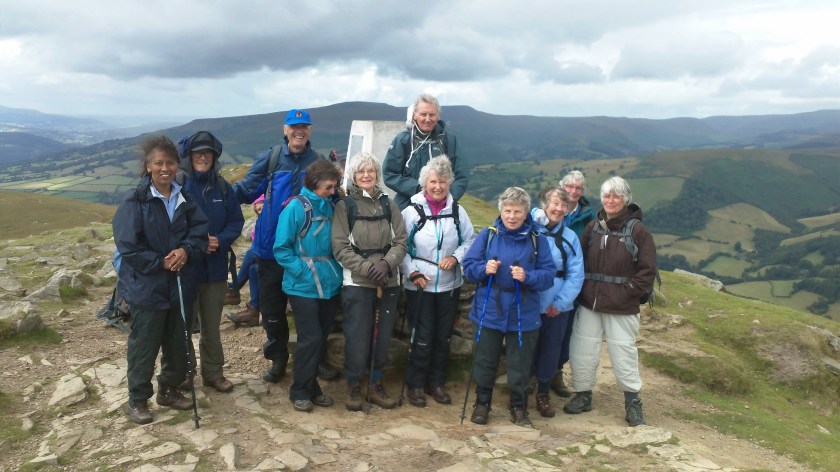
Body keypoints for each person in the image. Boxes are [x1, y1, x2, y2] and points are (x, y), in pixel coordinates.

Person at [112, 135, 209, 424]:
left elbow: (200, 235)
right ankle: (138, 399)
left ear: (177, 166)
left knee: (178, 342)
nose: (165, 168)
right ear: (148, 166)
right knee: (145, 345)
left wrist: (185, 251)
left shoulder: (185, 198)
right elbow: (128, 246)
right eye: (158, 163)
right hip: (148, 288)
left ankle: (169, 388)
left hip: (180, 284)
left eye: (169, 163)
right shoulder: (135, 201)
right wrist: (160, 262)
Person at [231, 109, 330, 383]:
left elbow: (329, 200)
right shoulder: (271, 158)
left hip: (306, 252)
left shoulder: (317, 162)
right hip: (270, 249)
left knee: (311, 312)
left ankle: (314, 359)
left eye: (304, 126)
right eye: (294, 126)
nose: (299, 131)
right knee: (273, 311)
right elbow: (247, 190)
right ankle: (278, 359)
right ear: (285, 129)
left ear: (310, 130)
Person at [564, 176, 656, 427]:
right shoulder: (593, 228)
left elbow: (647, 271)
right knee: (582, 350)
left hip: (622, 306)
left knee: (623, 352)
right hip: (589, 302)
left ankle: (632, 403)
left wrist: (627, 292)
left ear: (625, 199)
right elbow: (577, 262)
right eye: (607, 195)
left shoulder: (638, 231)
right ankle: (583, 395)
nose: (611, 200)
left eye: (616, 196)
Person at [461, 187, 554, 426]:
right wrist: (484, 269)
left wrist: (527, 277)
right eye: (508, 211)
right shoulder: (488, 235)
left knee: (520, 363)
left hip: (524, 310)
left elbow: (548, 276)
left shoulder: (537, 239)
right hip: (488, 308)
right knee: (484, 359)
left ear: (526, 213)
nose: (512, 216)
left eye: (517, 211)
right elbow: (469, 266)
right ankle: (482, 404)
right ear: (501, 211)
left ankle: (519, 407)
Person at [332, 152, 407, 411]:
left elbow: (401, 240)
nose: (366, 175)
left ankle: (375, 384)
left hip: (388, 281)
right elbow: (340, 248)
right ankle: (354, 385)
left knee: (382, 337)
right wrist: (367, 268)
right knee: (357, 337)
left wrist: (386, 264)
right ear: (353, 175)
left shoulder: (389, 204)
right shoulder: (345, 207)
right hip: (357, 283)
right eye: (361, 171)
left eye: (371, 171)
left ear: (377, 175)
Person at [399, 156, 476, 408]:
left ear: (449, 183)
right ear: (424, 183)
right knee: (421, 336)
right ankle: (416, 384)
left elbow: (470, 241)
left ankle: (437, 383)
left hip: (448, 286)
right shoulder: (411, 212)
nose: (438, 187)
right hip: (419, 285)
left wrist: (455, 257)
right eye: (433, 181)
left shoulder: (457, 211)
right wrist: (412, 273)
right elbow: (400, 247)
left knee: (443, 337)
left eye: (443, 182)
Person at [177, 131, 244, 393]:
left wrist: (221, 240)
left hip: (215, 268)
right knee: (183, 325)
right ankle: (184, 373)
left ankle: (213, 373)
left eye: (208, 153)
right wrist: (192, 244)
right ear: (189, 157)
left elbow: (236, 221)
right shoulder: (179, 185)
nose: (203, 157)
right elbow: (170, 224)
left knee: (211, 327)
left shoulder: (223, 188)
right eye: (198, 153)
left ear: (214, 157)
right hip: (187, 268)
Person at [273, 161, 343, 412]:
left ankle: (312, 387)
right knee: (310, 338)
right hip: (302, 285)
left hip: (329, 282)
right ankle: (299, 390)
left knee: (319, 338)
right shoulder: (295, 208)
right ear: (314, 184)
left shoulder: (329, 206)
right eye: (328, 187)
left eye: (334, 187)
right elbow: (281, 248)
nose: (332, 191)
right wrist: (302, 270)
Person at [529, 187, 584, 417]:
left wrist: (560, 304)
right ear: (543, 205)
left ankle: (542, 392)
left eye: (564, 205)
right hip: (529, 301)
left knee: (551, 349)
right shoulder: (528, 228)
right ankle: (520, 390)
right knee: (525, 347)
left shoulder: (570, 237)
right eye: (555, 204)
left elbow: (576, 274)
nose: (560, 209)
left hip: (556, 305)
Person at [547, 170, 597, 397]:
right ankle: (536, 377)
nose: (573, 191)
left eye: (578, 188)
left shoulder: (588, 218)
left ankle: (555, 373)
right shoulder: (549, 210)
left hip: (574, 282)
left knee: (565, 333)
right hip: (546, 282)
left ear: (583, 191)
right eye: (569, 187)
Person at [382, 93, 469, 210]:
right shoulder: (403, 140)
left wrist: (447, 197)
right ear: (414, 116)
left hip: (442, 208)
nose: (427, 119)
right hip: (408, 205)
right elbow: (389, 174)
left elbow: (461, 175)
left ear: (438, 116)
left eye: (432, 115)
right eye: (423, 114)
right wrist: (418, 188)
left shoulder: (448, 140)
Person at [226, 195, 265, 328]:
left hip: (277, 257)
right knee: (254, 269)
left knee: (252, 252)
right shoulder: (260, 224)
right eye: (258, 210)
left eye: (263, 208)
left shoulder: (276, 220)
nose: (260, 211)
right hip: (266, 258)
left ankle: (233, 288)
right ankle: (253, 312)